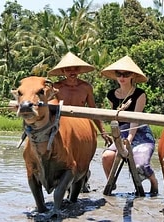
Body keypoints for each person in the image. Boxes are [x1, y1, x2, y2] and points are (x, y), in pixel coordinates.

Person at [48, 52, 112, 192]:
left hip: (82, 127)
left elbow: (92, 109)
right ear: (63, 71)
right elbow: (50, 109)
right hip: (63, 126)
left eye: (75, 69)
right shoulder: (56, 88)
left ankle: (83, 177)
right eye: (68, 69)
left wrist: (102, 131)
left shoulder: (86, 87)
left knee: (84, 157)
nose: (72, 72)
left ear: (79, 71)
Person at [101, 55, 158, 196]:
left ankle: (154, 182)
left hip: (140, 133)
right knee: (106, 156)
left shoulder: (140, 94)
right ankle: (111, 182)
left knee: (141, 166)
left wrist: (129, 140)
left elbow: (135, 119)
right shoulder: (111, 95)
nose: (122, 77)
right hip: (121, 132)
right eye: (119, 74)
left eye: (126, 74)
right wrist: (116, 137)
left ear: (132, 75)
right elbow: (115, 119)